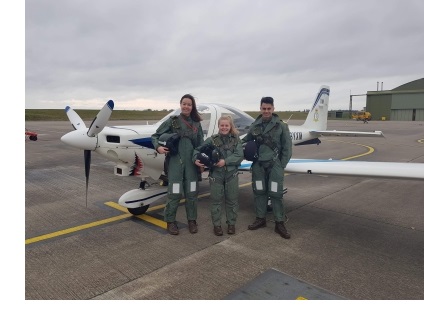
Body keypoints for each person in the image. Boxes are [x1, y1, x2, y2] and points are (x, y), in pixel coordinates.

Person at [151, 94, 204, 235]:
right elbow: (155, 136)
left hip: (191, 165)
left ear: (192, 107)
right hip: (175, 163)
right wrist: (158, 147)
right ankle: (170, 221)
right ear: (180, 105)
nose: (186, 106)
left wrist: (201, 162)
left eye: (189, 104)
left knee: (192, 193)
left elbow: (200, 145)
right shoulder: (172, 121)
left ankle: (192, 221)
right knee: (174, 193)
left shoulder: (196, 124)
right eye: (184, 104)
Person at [241, 96, 293, 239]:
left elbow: (287, 148)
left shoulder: (281, 126)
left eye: (269, 109)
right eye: (264, 108)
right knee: (259, 192)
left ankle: (279, 223)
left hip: (275, 165)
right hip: (258, 165)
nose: (266, 111)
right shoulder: (255, 125)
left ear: (273, 109)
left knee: (276, 194)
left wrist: (281, 166)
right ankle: (260, 219)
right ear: (260, 108)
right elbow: (245, 140)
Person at [193, 115, 244, 236]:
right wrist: (195, 159)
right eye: (222, 125)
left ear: (230, 126)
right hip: (216, 175)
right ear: (218, 126)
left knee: (232, 200)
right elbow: (197, 150)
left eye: (227, 125)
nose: (224, 128)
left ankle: (231, 224)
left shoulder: (236, 139)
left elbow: (239, 155)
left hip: (232, 174)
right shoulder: (212, 140)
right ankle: (217, 226)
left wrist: (225, 161)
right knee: (216, 201)